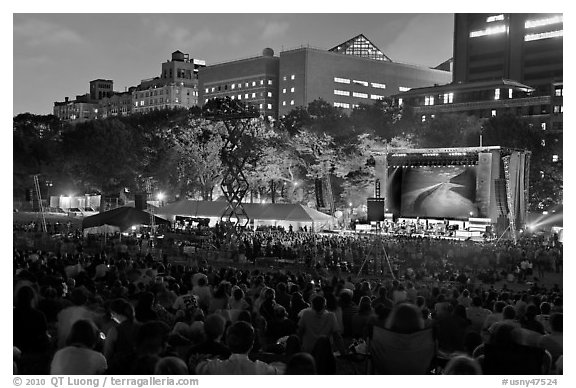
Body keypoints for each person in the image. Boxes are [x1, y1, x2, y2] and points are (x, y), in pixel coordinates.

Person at [195, 321, 280, 374]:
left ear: (228, 343)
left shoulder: (213, 367)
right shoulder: (262, 369)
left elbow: (199, 367)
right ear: (252, 344)